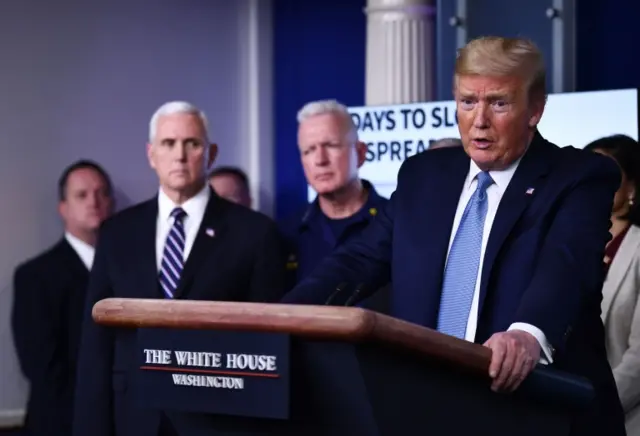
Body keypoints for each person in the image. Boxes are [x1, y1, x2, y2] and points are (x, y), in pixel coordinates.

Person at [282, 36, 625, 434]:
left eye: (498, 102)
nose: (479, 120)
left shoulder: (579, 177)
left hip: (537, 412)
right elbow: (357, 260)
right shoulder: (424, 175)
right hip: (429, 411)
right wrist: (283, 318)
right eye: (467, 102)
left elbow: (566, 267)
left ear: (535, 109)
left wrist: (526, 335)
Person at [72, 101, 287, 436]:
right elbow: (96, 342)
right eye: (168, 144)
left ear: (211, 153)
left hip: (221, 420)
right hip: (134, 418)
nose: (180, 155)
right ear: (151, 154)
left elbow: (269, 343)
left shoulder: (256, 233)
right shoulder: (117, 232)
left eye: (192, 143)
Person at [12, 160, 114, 436]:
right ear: (63, 209)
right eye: (82, 195)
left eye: (102, 193)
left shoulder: (130, 271)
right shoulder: (35, 276)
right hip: (61, 424)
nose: (94, 201)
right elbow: (41, 367)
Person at [280, 99, 388, 301]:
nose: (320, 160)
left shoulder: (394, 223)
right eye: (309, 150)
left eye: (331, 145)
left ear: (360, 153)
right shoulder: (285, 234)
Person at [585, 134, 640, 435]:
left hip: (622, 420)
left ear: (631, 186)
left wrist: (595, 409)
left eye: (607, 174)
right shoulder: (567, 245)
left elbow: (638, 360)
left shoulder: (638, 249)